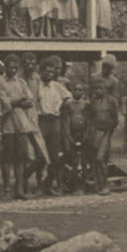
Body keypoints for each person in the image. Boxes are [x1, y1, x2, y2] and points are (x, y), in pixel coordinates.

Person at [0, 54, 40, 198]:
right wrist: (18, 101)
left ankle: (19, 189)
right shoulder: (0, 82)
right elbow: (3, 102)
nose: (13, 70)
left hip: (21, 123)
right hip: (7, 124)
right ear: (5, 67)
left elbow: (30, 101)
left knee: (20, 157)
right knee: (7, 158)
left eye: (16, 67)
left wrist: (16, 102)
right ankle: (6, 189)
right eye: (11, 67)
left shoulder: (21, 82)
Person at [35, 55, 74, 195]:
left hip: (55, 121)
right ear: (41, 71)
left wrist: (63, 105)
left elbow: (69, 98)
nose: (50, 74)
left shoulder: (57, 86)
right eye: (47, 71)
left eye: (52, 72)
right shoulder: (36, 85)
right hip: (41, 120)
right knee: (40, 155)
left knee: (54, 156)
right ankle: (38, 184)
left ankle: (48, 184)